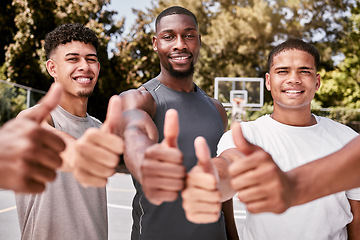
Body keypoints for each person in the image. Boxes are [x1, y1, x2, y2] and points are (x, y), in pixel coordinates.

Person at [182, 38, 360, 239]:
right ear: (268, 81)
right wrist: (209, 180)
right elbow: (228, 166)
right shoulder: (246, 135)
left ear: (317, 82)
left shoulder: (348, 139)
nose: (294, 79)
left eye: (304, 71)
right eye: (283, 71)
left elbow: (357, 216)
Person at [119, 6, 238, 240]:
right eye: (169, 36)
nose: (180, 44)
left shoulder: (216, 109)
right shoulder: (141, 99)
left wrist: (233, 236)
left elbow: (223, 188)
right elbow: (134, 134)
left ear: (199, 41)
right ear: (155, 43)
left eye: (189, 35)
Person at [15, 23, 123, 239]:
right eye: (73, 59)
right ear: (52, 68)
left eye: (90, 59)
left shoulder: (99, 128)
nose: (84, 66)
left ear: (98, 68)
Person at [0, 83, 65, 193]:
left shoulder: (97, 125)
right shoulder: (30, 117)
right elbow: (41, 129)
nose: (84, 66)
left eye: (92, 63)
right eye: (72, 63)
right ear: (52, 68)